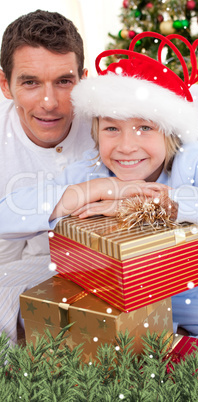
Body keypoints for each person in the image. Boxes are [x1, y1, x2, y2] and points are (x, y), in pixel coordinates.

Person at [0, 10, 198, 344]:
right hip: (108, 293)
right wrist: (100, 188)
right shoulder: (91, 167)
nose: (127, 146)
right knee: (100, 352)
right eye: (112, 129)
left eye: (144, 128)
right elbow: (6, 214)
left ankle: (179, 354)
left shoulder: (191, 160)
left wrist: (162, 201)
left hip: (194, 294)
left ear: (168, 131)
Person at [0, 9, 94, 343]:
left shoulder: (109, 120)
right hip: (29, 263)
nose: (49, 102)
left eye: (64, 81)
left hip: (106, 263)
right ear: (5, 85)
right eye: (30, 82)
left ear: (83, 79)